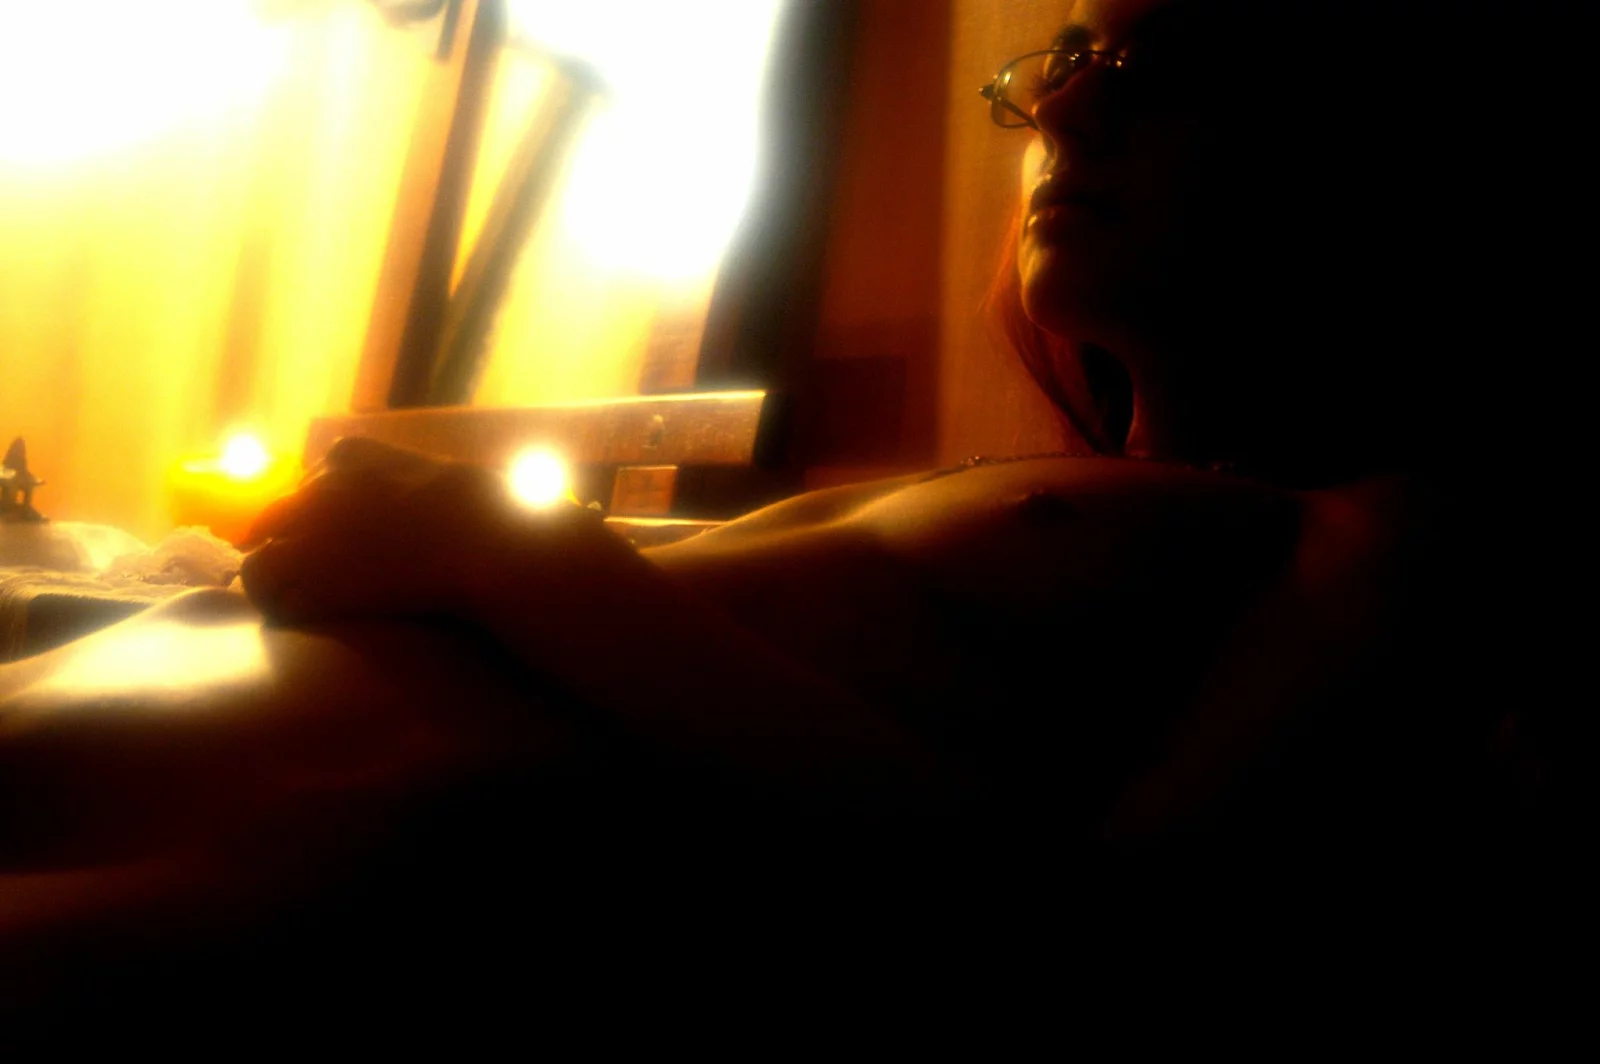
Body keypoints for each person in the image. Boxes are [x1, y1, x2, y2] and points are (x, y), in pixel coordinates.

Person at [0, 0, 1537, 1035]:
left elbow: (1116, 948)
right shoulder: (1016, 486)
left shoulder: (1380, 532)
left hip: (241, 873)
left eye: (1149, 69)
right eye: (1066, 59)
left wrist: (516, 553)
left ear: (1349, 145)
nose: (1063, 107)